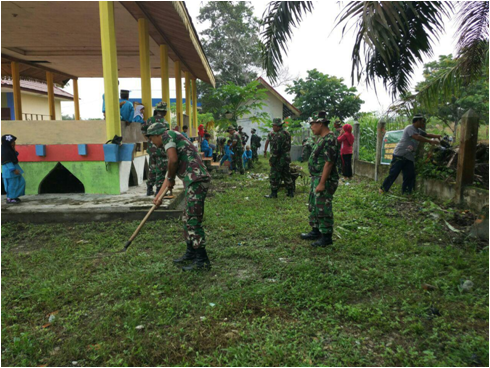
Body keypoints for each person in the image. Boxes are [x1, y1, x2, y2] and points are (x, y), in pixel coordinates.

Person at [147, 122, 212, 271]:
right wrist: (159, 196)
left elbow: (173, 160)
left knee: (193, 220)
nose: (152, 142)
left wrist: (170, 179)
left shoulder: (167, 135)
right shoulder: (172, 138)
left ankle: (202, 261)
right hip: (192, 181)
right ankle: (191, 253)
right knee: (186, 218)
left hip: (197, 180)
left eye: (151, 138)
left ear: (157, 134)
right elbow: (169, 173)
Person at [301, 111, 340, 247]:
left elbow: (329, 163)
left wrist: (322, 183)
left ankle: (326, 237)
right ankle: (316, 230)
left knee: (323, 206)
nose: (311, 127)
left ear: (321, 123)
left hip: (325, 179)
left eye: (313, 124)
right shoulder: (322, 138)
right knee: (314, 205)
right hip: (316, 177)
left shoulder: (330, 139)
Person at [380, 115, 441, 195]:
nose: (423, 123)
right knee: (394, 173)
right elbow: (417, 137)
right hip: (400, 154)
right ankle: (383, 189)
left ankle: (406, 192)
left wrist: (437, 136)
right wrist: (430, 141)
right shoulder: (410, 128)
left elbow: (427, 134)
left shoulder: (419, 130)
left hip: (409, 157)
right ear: (417, 121)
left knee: (409, 175)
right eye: (422, 121)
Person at [141, 102, 169, 196]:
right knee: (161, 169)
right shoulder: (165, 123)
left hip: (151, 149)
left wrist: (149, 140)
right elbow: (166, 136)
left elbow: (143, 131)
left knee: (152, 169)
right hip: (161, 149)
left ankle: (149, 189)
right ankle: (158, 190)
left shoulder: (149, 120)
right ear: (164, 112)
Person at [265, 118, 294, 198]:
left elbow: (276, 150)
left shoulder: (278, 135)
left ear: (277, 126)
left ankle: (274, 193)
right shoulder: (287, 133)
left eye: (273, 125)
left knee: (274, 175)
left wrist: (272, 160)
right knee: (287, 174)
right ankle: (290, 192)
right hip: (286, 157)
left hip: (279, 159)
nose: (272, 127)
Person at [2, 134, 26, 204]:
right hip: (10, 171)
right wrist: (13, 170)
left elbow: (14, 155)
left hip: (15, 169)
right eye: (12, 141)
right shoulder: (4, 151)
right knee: (12, 185)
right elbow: (7, 161)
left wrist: (13, 148)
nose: (14, 143)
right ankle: (10, 198)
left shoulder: (8, 149)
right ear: (7, 142)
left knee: (21, 182)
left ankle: (14, 196)